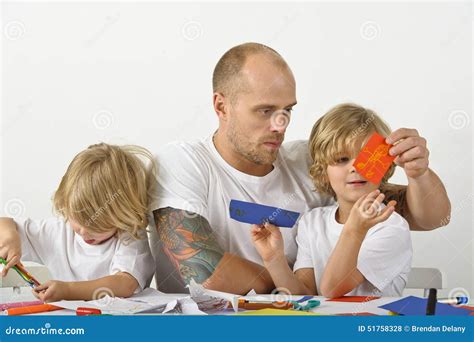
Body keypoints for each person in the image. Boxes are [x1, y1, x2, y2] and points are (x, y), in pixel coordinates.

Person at [151, 42, 450, 294]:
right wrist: (298, 285)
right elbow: (206, 273)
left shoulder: (305, 161)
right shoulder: (184, 162)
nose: (280, 125)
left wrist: (419, 172)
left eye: (287, 110)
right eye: (265, 111)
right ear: (221, 106)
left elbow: (428, 218)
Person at [251, 103, 412, 297]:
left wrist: (354, 229)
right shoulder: (311, 222)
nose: (355, 168)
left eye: (366, 158)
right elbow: (304, 295)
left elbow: (332, 290)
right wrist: (274, 260)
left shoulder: (391, 227)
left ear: (384, 166)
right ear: (323, 172)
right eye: (342, 159)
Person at [0, 143, 156, 302]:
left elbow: (125, 284)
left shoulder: (130, 236)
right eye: (77, 219)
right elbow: (4, 224)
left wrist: (68, 290)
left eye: (97, 226)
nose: (84, 231)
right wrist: (9, 238)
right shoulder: (60, 230)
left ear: (123, 216)